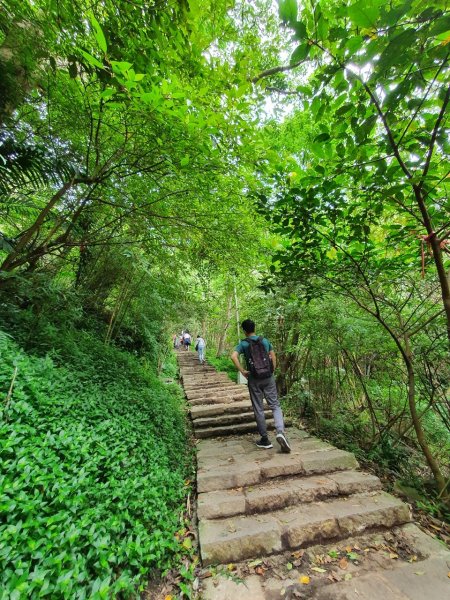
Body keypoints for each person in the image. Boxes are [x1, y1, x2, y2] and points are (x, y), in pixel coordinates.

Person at [231, 319, 291, 453]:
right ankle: (280, 432)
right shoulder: (264, 340)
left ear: (244, 330)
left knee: (258, 407)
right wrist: (271, 370)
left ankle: (265, 439)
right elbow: (273, 357)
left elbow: (233, 356)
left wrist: (242, 371)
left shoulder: (244, 344)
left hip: (254, 377)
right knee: (275, 405)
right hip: (268, 377)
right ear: (255, 328)